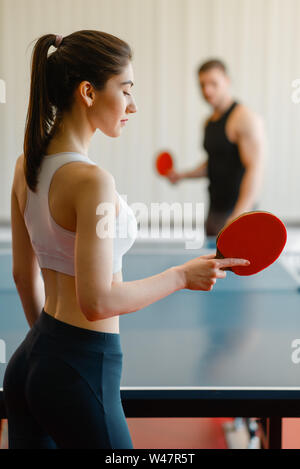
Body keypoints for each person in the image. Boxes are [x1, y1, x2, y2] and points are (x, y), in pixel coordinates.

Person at [3, 31, 250, 449]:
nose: (132, 105)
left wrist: (49, 353)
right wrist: (180, 276)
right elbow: (97, 301)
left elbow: (23, 277)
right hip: (81, 365)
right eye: (126, 90)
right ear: (88, 92)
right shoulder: (92, 182)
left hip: (31, 359)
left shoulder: (26, 164)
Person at [166, 59, 265, 236]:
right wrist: (183, 175)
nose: (207, 90)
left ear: (227, 81)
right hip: (214, 212)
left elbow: (255, 169)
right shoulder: (208, 122)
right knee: (213, 262)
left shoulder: (245, 118)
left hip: (237, 213)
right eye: (202, 85)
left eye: (213, 83)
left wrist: (239, 215)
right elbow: (214, 163)